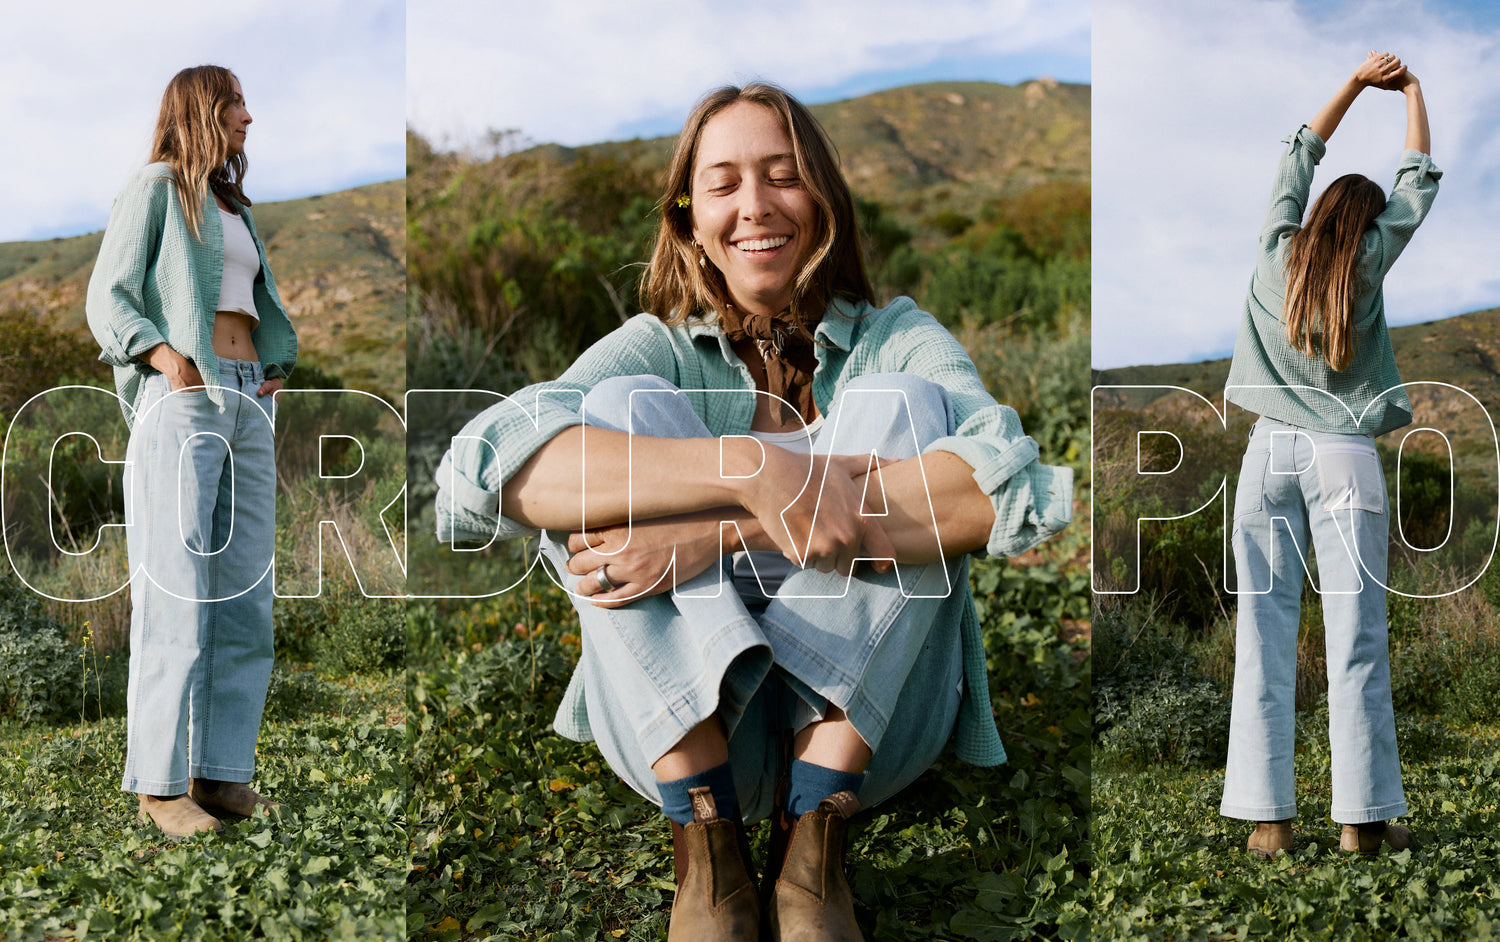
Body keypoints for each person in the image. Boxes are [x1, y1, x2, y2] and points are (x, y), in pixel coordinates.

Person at [436, 82, 1071, 940]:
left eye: (783, 175)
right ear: (690, 218)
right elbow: (489, 468)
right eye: (724, 184)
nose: (755, 206)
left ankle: (814, 853)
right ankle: (710, 860)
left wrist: (724, 525)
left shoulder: (896, 336)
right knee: (620, 409)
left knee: (905, 405)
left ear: (825, 201)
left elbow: (999, 493)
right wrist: (744, 464)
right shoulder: (658, 346)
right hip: (684, 726)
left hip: (867, 734)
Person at [1222, 51, 1437, 858]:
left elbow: (1294, 156)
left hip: (1266, 455)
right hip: (1344, 454)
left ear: (1315, 215)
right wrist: (1412, 92)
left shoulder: (1276, 249)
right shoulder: (1370, 263)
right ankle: (1361, 824)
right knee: (1356, 640)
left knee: (1262, 639)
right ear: (1368, 225)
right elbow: (1419, 182)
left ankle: (1270, 824)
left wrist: (1352, 85)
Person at [86, 65, 297, 840]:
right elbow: (107, 296)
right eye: (237, 101)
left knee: (244, 596)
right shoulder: (156, 188)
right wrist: (162, 357)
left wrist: (268, 367)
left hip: (247, 401)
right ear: (203, 108)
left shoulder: (232, 205)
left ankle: (221, 774)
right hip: (183, 398)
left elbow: (247, 301)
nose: (249, 115)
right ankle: (159, 783)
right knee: (176, 595)